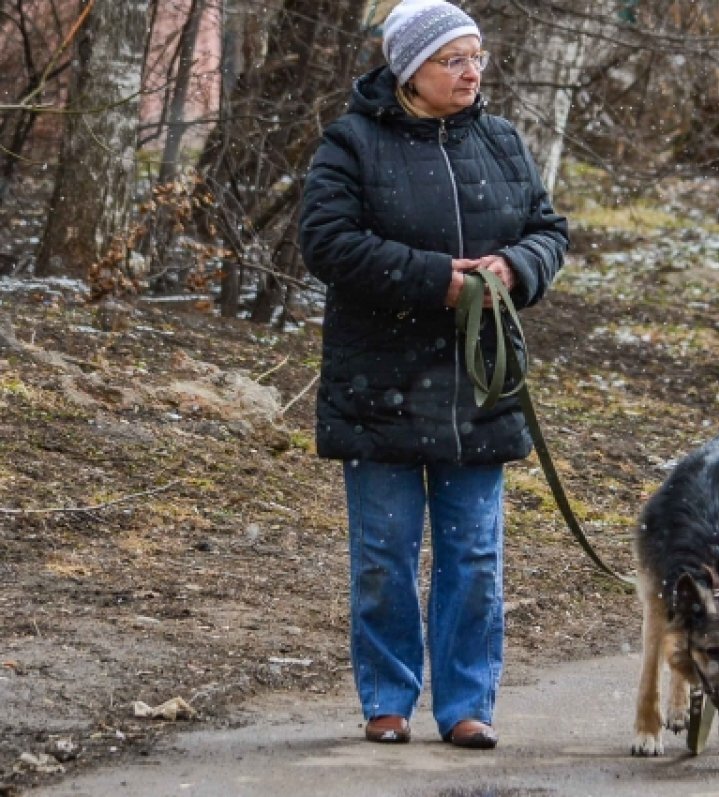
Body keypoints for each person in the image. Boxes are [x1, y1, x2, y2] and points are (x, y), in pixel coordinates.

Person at [298, 0, 568, 750]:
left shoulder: (503, 141)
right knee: (383, 558)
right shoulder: (351, 143)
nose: (471, 71)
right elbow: (326, 242)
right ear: (409, 69)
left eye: (477, 56)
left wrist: (515, 267)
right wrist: (432, 280)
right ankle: (387, 700)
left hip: (479, 389)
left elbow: (550, 231)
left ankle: (467, 705)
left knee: (474, 558)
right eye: (454, 59)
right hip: (377, 385)